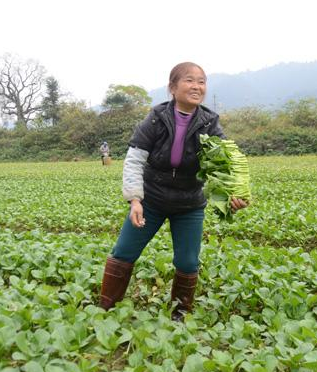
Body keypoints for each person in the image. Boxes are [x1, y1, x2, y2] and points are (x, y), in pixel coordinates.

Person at [99, 62, 248, 320]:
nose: (197, 86)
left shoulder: (210, 122)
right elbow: (134, 159)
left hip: (189, 204)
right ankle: (105, 309)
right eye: (189, 80)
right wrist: (135, 199)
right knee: (123, 252)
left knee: (188, 263)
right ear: (172, 87)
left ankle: (179, 317)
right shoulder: (156, 118)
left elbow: (225, 162)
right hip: (152, 200)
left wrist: (232, 193)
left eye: (201, 81)